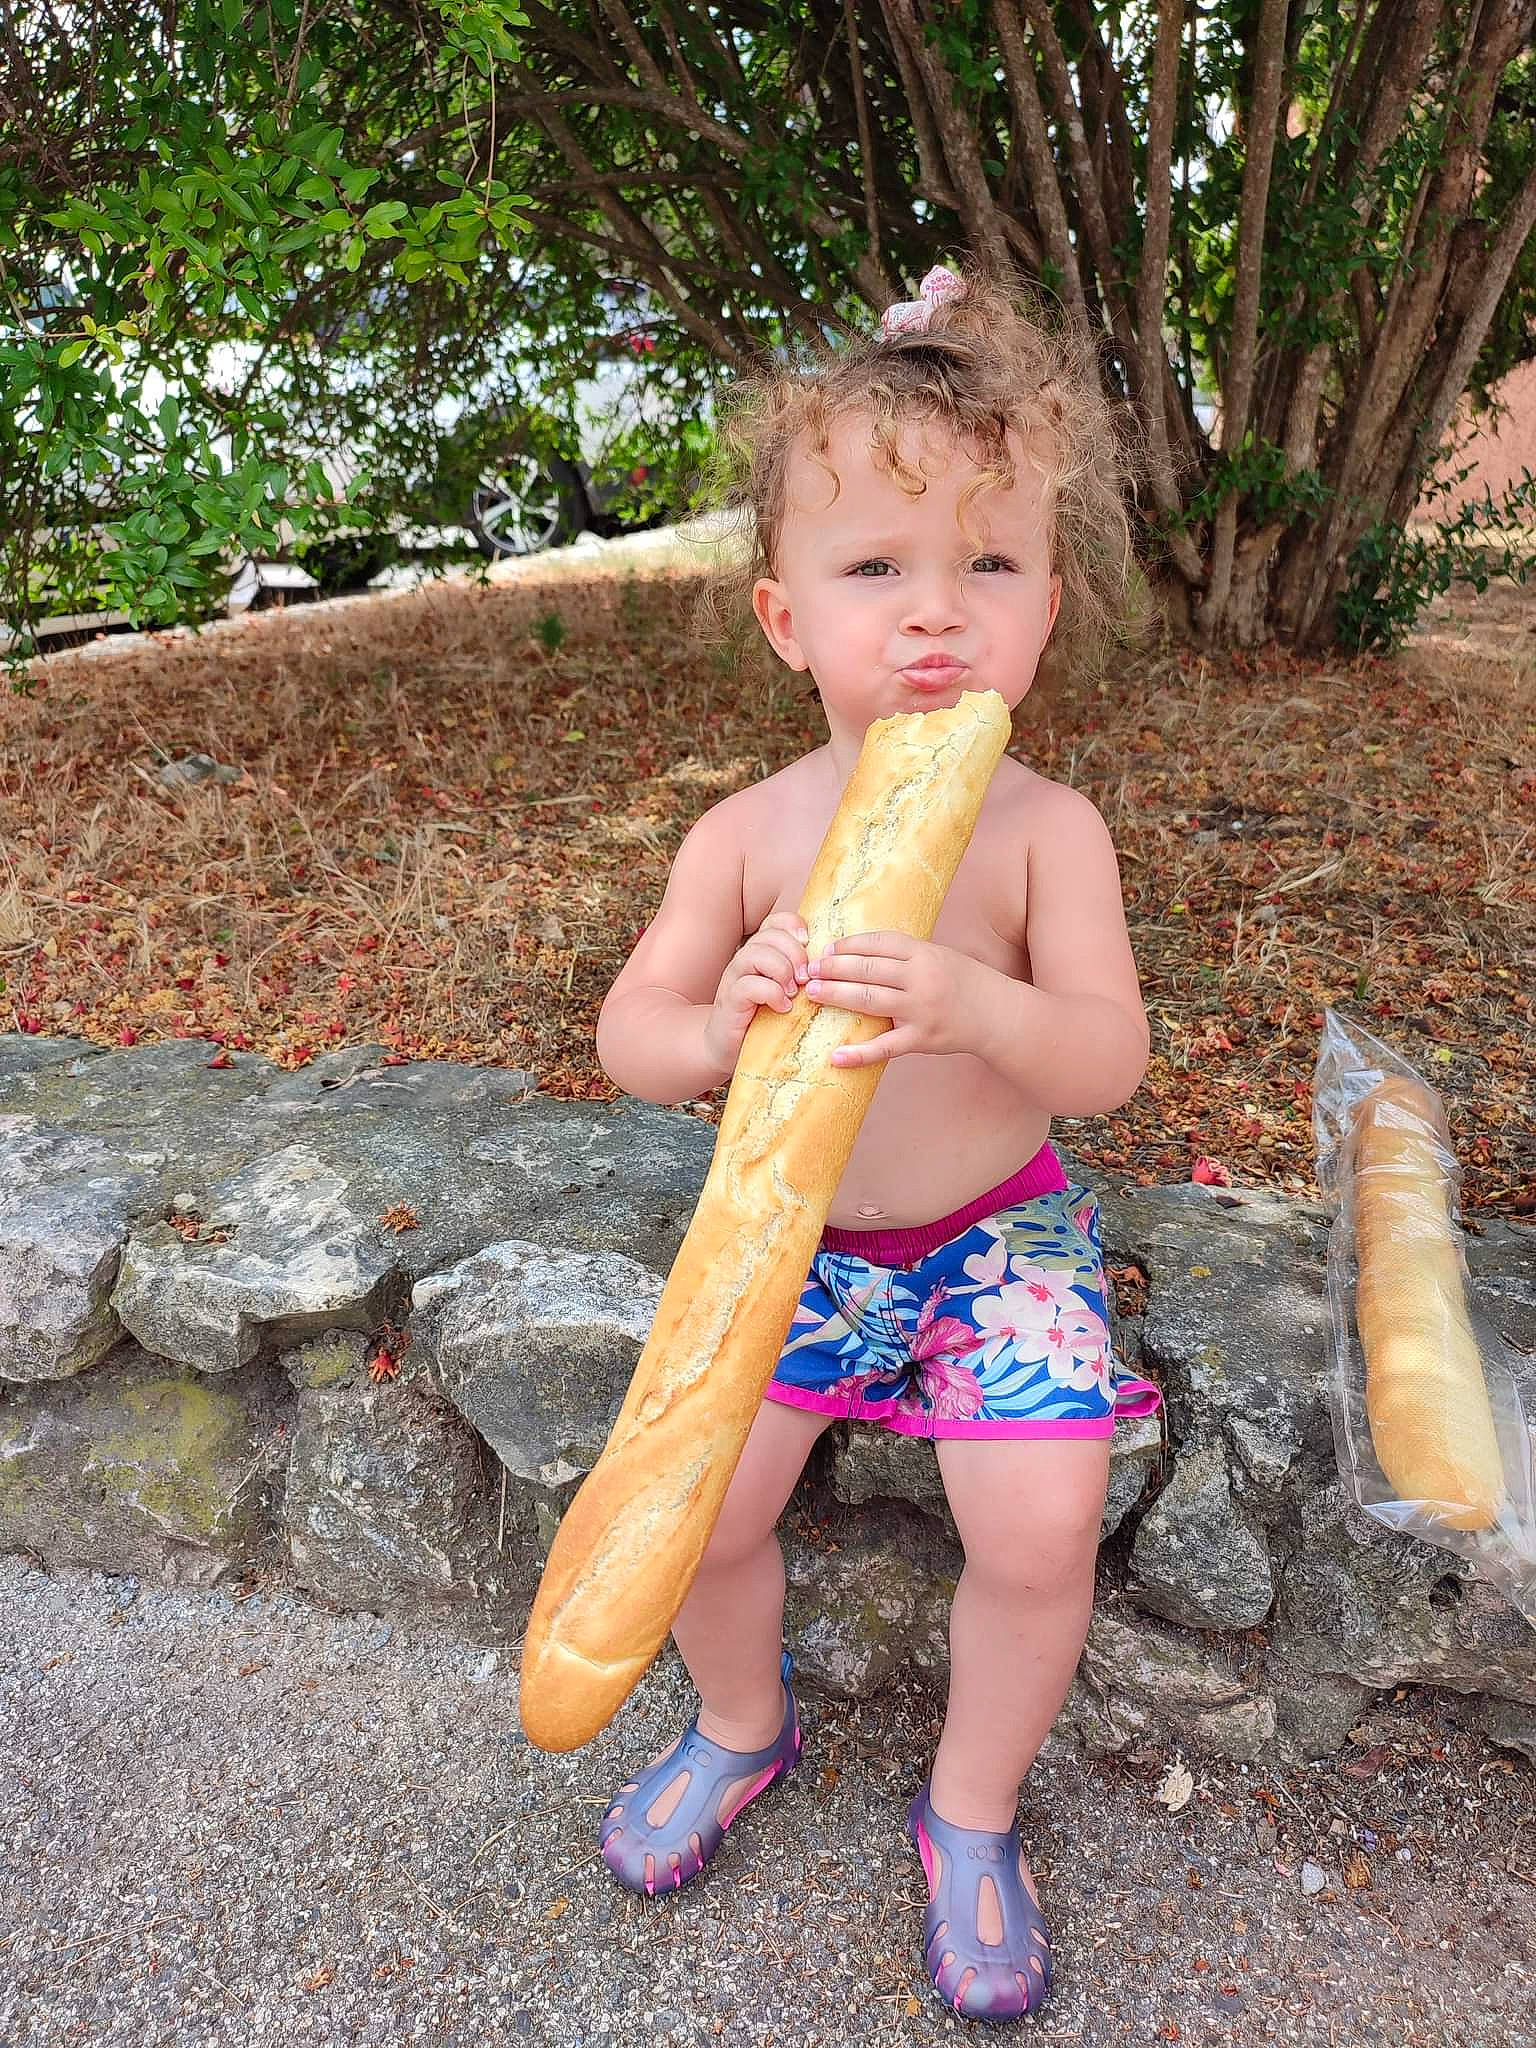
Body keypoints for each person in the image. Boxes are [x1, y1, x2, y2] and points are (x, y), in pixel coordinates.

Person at [588, 262, 1162, 2024]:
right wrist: (721, 1020)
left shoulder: (1044, 833)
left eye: (989, 565)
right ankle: (746, 1723)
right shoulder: (747, 838)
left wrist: (980, 1008)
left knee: (1043, 1523)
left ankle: (972, 1812)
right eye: (878, 568)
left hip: (1001, 1232)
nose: (937, 615)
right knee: (697, 1515)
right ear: (784, 619)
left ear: (1046, 609)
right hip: (802, 1245)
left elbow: (1111, 1058)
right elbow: (634, 1040)